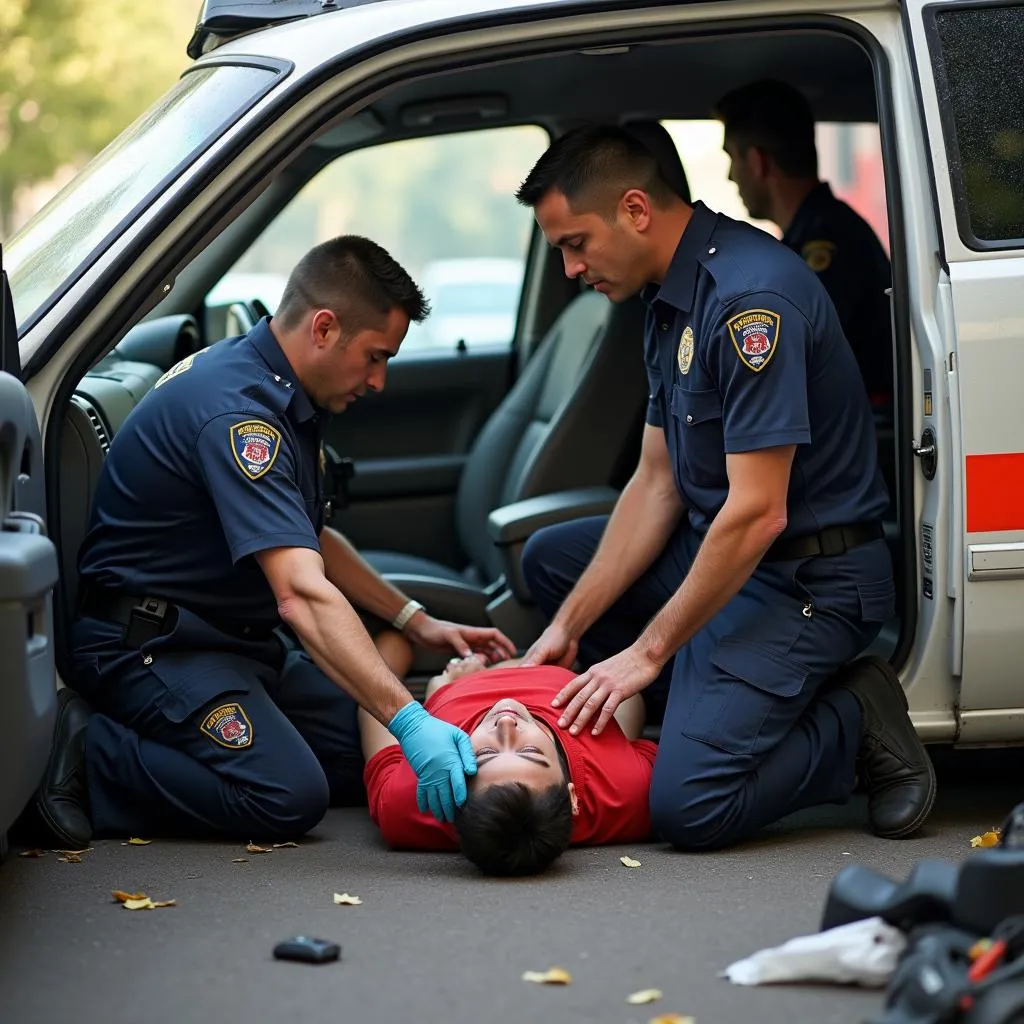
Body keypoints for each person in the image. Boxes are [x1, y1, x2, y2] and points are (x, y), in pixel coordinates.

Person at [512, 124, 935, 851]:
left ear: (636, 210)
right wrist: (568, 629)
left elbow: (758, 512)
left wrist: (645, 654)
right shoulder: (667, 297)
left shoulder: (749, 303)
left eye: (575, 244)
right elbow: (656, 481)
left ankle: (854, 716)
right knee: (550, 561)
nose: (571, 269)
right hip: (728, 558)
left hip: (808, 577)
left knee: (691, 806)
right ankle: (708, 706)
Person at [35, 235, 516, 850]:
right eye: (374, 357)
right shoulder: (240, 415)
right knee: (287, 794)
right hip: (153, 649)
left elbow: (307, 537)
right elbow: (299, 592)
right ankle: (92, 754)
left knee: (360, 753)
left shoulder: (278, 389)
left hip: (234, 644)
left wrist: (414, 620)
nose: (379, 382)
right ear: (323, 327)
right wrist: (412, 716)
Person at [359, 638, 656, 876]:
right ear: (573, 797)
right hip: (548, 665)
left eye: (485, 754)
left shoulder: (407, 799)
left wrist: (435, 682)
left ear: (453, 794)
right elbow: (630, 697)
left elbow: (373, 706)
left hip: (455, 685)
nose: (506, 724)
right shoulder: (627, 789)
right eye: (530, 751)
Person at [713, 79, 894, 410]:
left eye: (731, 158)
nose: (729, 175)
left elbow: (798, 358)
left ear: (757, 162)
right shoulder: (818, 231)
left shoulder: (828, 244)